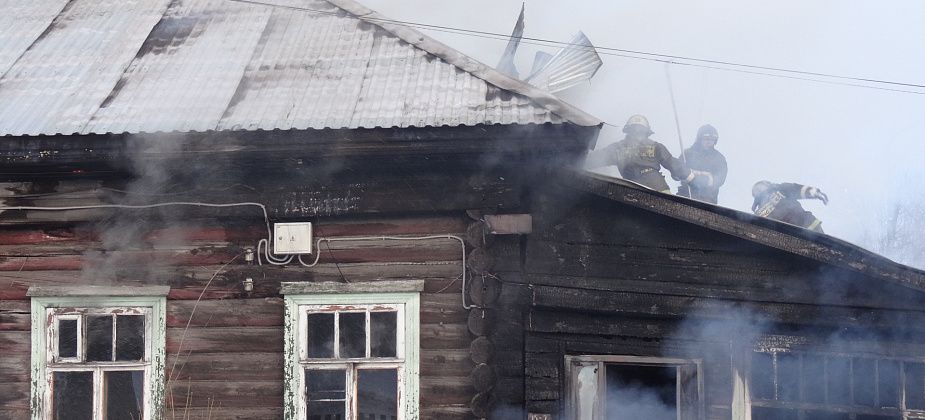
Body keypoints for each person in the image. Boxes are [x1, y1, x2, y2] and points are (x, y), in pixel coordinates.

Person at [591, 115, 700, 193]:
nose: (637, 134)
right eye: (634, 131)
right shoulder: (617, 149)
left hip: (646, 188)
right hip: (638, 188)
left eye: (640, 131)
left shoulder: (655, 147)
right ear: (629, 132)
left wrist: (691, 179)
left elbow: (672, 163)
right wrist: (692, 180)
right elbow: (597, 158)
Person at [677, 124, 727, 204]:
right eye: (706, 138)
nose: (709, 142)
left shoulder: (719, 159)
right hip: (685, 195)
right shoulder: (687, 154)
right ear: (700, 138)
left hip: (707, 199)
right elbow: (676, 173)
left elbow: (719, 179)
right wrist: (680, 172)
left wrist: (698, 179)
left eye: (712, 139)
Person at [751, 181, 829, 232]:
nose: (759, 190)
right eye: (756, 190)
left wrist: (813, 192)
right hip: (789, 237)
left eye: (760, 187)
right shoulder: (759, 214)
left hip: (807, 225)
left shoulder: (780, 189)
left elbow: (795, 189)